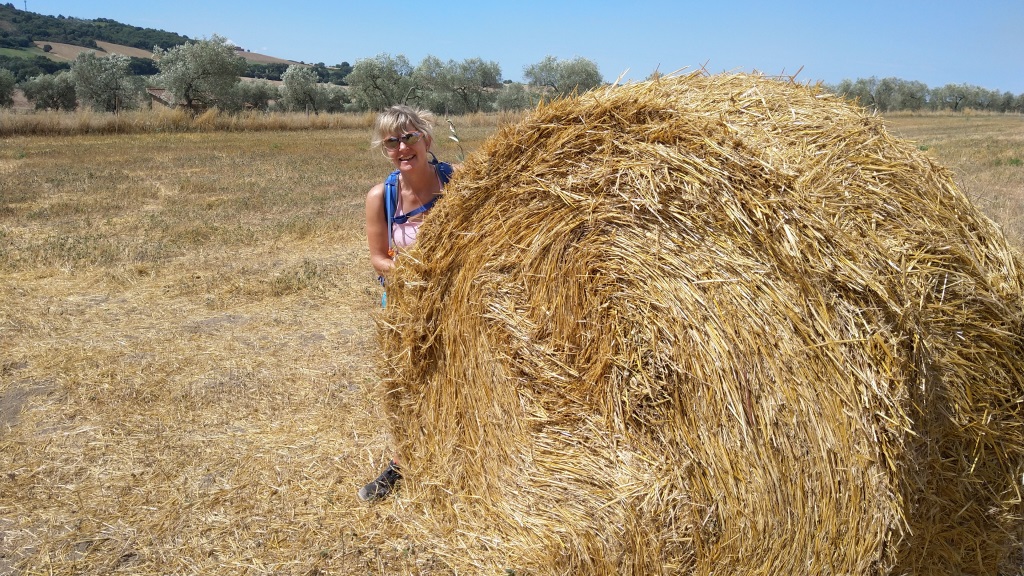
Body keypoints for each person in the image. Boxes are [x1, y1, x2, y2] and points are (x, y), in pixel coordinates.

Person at [359, 105, 456, 501]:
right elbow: (379, 257)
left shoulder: (457, 182)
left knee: (455, 380)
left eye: (410, 137)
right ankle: (401, 463)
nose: (402, 147)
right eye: (392, 141)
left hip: (456, 299)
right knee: (409, 384)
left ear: (426, 138)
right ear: (385, 149)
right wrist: (416, 274)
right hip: (405, 307)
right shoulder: (382, 196)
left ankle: (462, 455)